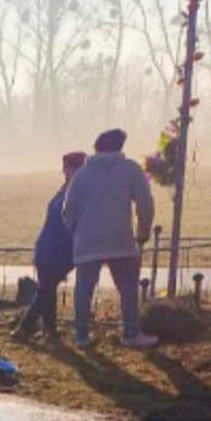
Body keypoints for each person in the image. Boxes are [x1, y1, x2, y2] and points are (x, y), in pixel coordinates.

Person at [62, 128, 157, 349]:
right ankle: (131, 333)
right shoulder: (130, 169)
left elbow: (68, 210)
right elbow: (145, 204)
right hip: (120, 239)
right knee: (127, 289)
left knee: (84, 290)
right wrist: (142, 233)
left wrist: (76, 232)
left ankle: (82, 337)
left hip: (87, 240)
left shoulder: (81, 175)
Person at [13, 151, 85, 340]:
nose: (64, 172)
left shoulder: (77, 191)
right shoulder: (64, 190)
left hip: (62, 249)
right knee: (47, 289)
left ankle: (26, 327)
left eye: (67, 168)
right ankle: (49, 329)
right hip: (48, 246)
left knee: (45, 288)